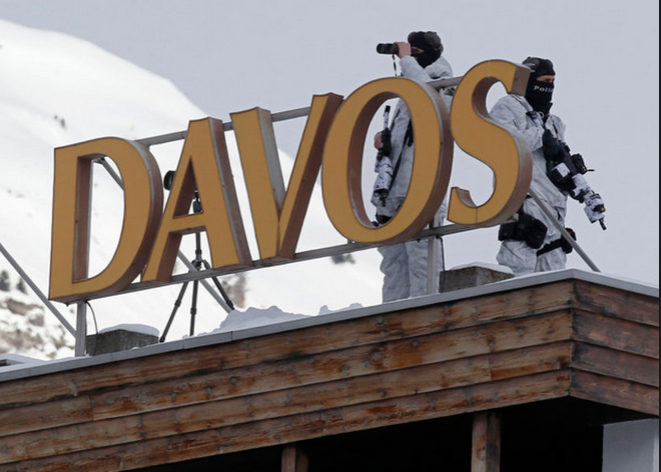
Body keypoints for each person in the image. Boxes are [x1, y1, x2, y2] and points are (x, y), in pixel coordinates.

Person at [491, 57, 606, 276]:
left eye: (552, 81)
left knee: (553, 274)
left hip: (556, 206)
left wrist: (580, 187)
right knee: (519, 266)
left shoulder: (554, 122)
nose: (549, 87)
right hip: (526, 197)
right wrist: (540, 137)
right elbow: (499, 142)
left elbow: (558, 162)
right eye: (544, 81)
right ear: (529, 80)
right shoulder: (508, 106)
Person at [371, 31, 453, 303]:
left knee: (423, 259)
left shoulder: (444, 82)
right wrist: (386, 139)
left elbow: (429, 103)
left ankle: (425, 310)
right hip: (394, 190)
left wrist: (406, 60)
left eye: (415, 53)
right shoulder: (409, 89)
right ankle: (392, 314)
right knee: (393, 263)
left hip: (421, 188)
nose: (409, 58)